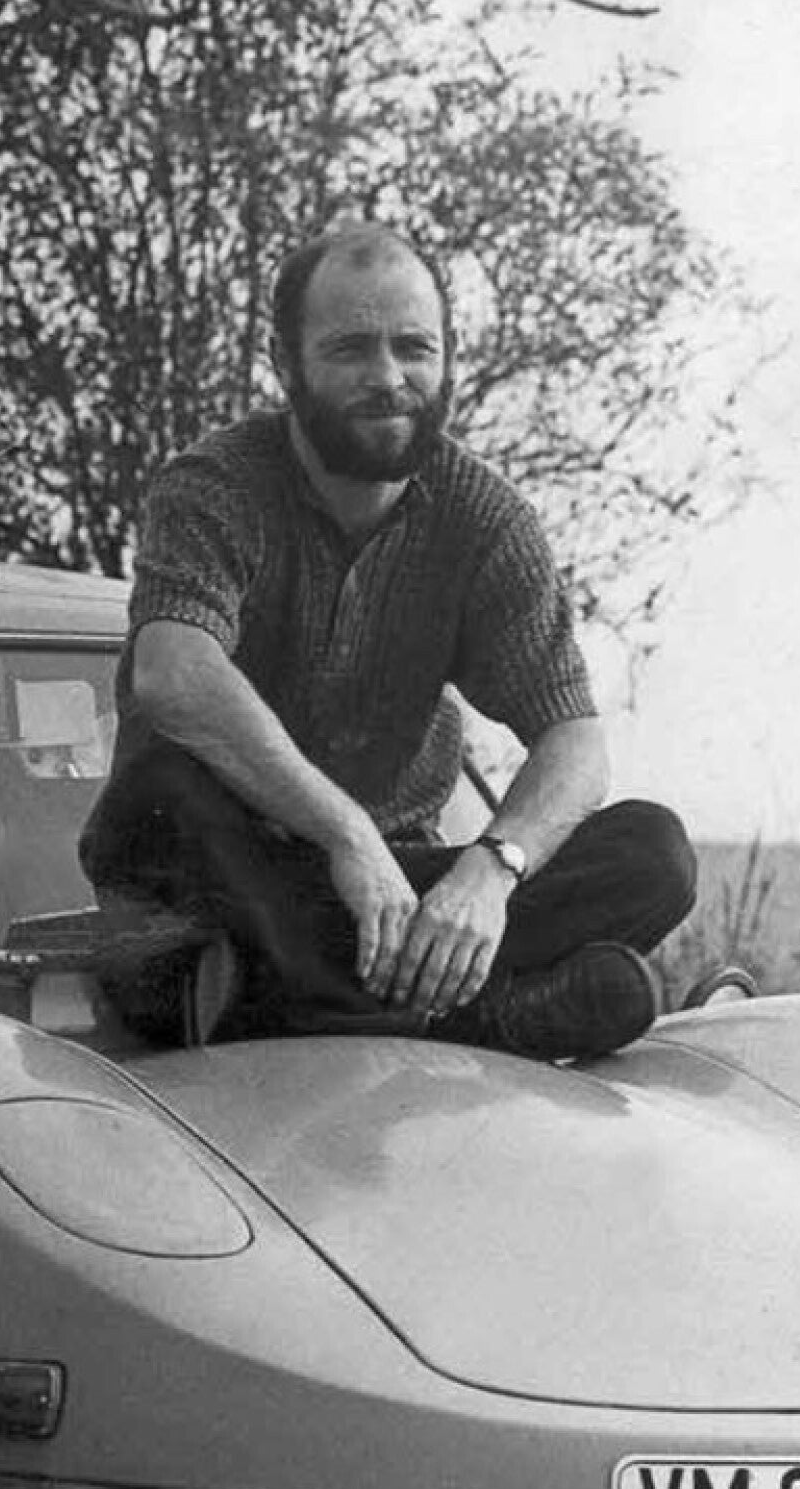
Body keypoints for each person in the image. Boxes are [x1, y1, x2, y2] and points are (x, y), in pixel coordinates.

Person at [77, 216, 698, 1057]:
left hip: (391, 897)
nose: (388, 378)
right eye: (350, 350)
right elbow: (172, 674)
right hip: (219, 893)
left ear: (449, 356)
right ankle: (474, 1019)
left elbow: (576, 743)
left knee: (655, 852)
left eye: (414, 348)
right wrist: (347, 834)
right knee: (163, 790)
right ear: (284, 362)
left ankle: (344, 1005)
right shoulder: (214, 485)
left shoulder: (485, 520)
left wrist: (490, 872)